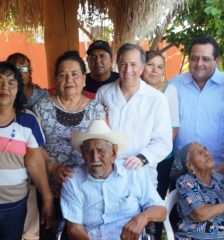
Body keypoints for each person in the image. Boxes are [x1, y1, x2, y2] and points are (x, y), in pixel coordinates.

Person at [33, 51, 105, 239]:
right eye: (63, 74)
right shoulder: (41, 107)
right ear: (56, 79)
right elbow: (33, 147)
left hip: (87, 191)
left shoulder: (96, 109)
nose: (69, 79)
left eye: (74, 74)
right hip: (50, 187)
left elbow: (104, 147)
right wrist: (52, 166)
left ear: (83, 79)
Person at [61, 120, 167, 240]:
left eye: (101, 151)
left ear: (114, 152)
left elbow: (161, 210)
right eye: (88, 151)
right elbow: (74, 229)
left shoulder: (133, 172)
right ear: (82, 152)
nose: (95, 158)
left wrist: (143, 217)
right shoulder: (72, 180)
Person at [0, 61, 54, 240]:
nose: (5, 87)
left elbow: (36, 162)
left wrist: (47, 198)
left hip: (15, 206)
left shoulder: (28, 121)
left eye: (11, 82)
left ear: (18, 89)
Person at [96, 43, 173, 186]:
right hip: (108, 174)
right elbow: (96, 131)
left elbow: (163, 141)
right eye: (123, 64)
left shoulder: (156, 99)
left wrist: (142, 158)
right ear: (117, 65)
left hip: (142, 175)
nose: (128, 70)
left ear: (142, 67)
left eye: (133, 64)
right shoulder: (103, 93)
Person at [7, 52, 49, 240]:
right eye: (14, 67)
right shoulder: (2, 94)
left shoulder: (42, 96)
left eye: (23, 68)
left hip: (40, 154)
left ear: (30, 71)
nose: (19, 71)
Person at [170, 36, 224, 167]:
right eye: (194, 58)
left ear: (216, 61)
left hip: (218, 170)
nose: (199, 63)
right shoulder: (175, 84)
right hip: (182, 168)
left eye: (205, 59)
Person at [142, 50, 179, 239]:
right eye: (150, 64)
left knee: (154, 204)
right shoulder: (135, 88)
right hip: (136, 158)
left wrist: (153, 154)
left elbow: (173, 128)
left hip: (161, 159)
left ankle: (154, 236)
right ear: (142, 66)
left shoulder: (168, 90)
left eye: (159, 66)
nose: (155, 70)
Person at [170, 142, 224, 240]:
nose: (207, 153)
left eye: (206, 149)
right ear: (190, 165)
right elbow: (201, 214)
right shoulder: (185, 182)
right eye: (199, 153)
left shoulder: (220, 179)